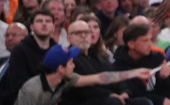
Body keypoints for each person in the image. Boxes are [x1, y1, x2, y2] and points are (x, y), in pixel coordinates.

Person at [13, 45, 149, 105]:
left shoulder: (65, 79)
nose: (73, 65)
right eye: (71, 63)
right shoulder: (32, 89)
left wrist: (134, 73)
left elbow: (101, 78)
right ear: (61, 68)